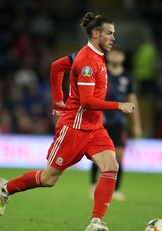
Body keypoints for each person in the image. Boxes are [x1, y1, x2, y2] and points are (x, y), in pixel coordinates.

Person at [0, 12, 135, 231]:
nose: (113, 38)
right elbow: (87, 101)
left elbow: (57, 66)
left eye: (114, 34)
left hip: (95, 128)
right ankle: (6, 188)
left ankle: (95, 221)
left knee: (111, 166)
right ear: (95, 34)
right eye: (109, 33)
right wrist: (119, 105)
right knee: (49, 179)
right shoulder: (87, 61)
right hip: (74, 129)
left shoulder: (90, 54)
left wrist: (58, 99)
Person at [50, 46, 142, 201]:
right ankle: (93, 184)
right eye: (113, 52)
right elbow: (90, 98)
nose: (116, 56)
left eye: (119, 53)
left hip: (118, 120)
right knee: (97, 154)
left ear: (123, 57)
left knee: (117, 157)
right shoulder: (100, 70)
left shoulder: (127, 77)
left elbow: (133, 100)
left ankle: (116, 190)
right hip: (99, 118)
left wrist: (136, 123)